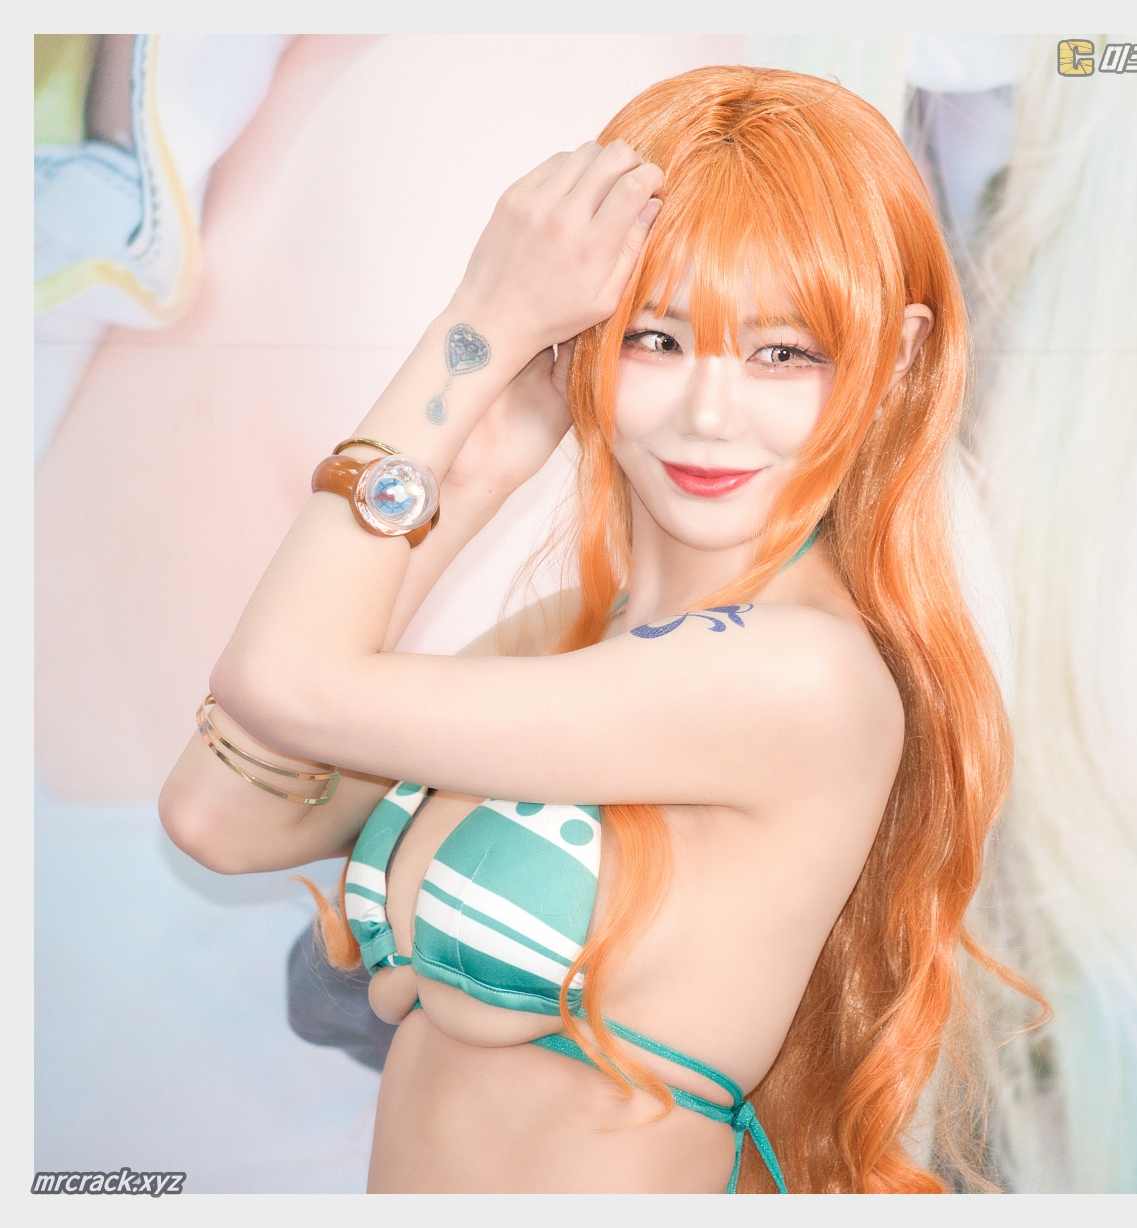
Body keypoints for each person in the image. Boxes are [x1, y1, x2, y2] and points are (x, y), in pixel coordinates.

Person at [159, 65, 1038, 1194]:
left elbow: (283, 680)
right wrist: (477, 470)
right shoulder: (574, 641)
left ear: (897, 357)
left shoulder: (798, 676)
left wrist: (476, 326)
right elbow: (219, 814)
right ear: (586, 342)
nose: (708, 413)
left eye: (782, 353)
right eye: (655, 339)